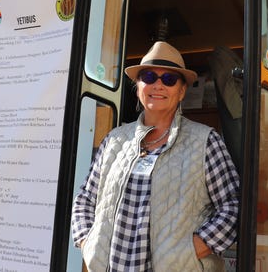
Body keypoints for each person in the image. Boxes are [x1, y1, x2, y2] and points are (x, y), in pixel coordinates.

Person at [71, 41, 240, 272]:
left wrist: (192, 250)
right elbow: (84, 199)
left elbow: (233, 204)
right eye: (149, 77)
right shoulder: (115, 140)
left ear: (181, 92)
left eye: (169, 79)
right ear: (138, 86)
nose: (158, 85)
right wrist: (88, 244)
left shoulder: (206, 141)